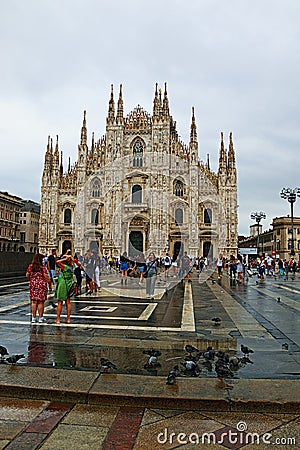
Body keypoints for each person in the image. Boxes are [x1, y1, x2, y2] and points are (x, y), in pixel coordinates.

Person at [26, 253, 52, 323]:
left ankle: (33, 318)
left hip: (33, 285)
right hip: (41, 285)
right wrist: (50, 283)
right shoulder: (42, 268)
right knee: (41, 302)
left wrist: (32, 279)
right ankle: (40, 317)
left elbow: (27, 275)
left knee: (34, 302)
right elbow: (46, 277)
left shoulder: (31, 266)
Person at [55, 250, 75, 324]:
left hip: (63, 284)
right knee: (68, 302)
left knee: (60, 302)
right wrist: (67, 255)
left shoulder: (64, 267)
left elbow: (57, 262)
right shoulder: (71, 267)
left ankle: (58, 319)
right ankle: (68, 318)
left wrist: (64, 259)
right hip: (69, 284)